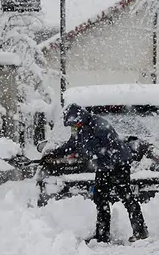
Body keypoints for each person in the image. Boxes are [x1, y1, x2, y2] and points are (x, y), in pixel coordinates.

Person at [44, 103, 149, 243]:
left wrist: (94, 159)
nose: (73, 127)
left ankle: (140, 231)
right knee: (100, 198)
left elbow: (98, 149)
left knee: (126, 196)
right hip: (104, 165)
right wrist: (53, 154)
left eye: (74, 124)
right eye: (72, 125)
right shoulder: (80, 128)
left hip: (118, 164)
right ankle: (102, 234)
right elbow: (72, 144)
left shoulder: (99, 125)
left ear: (79, 118)